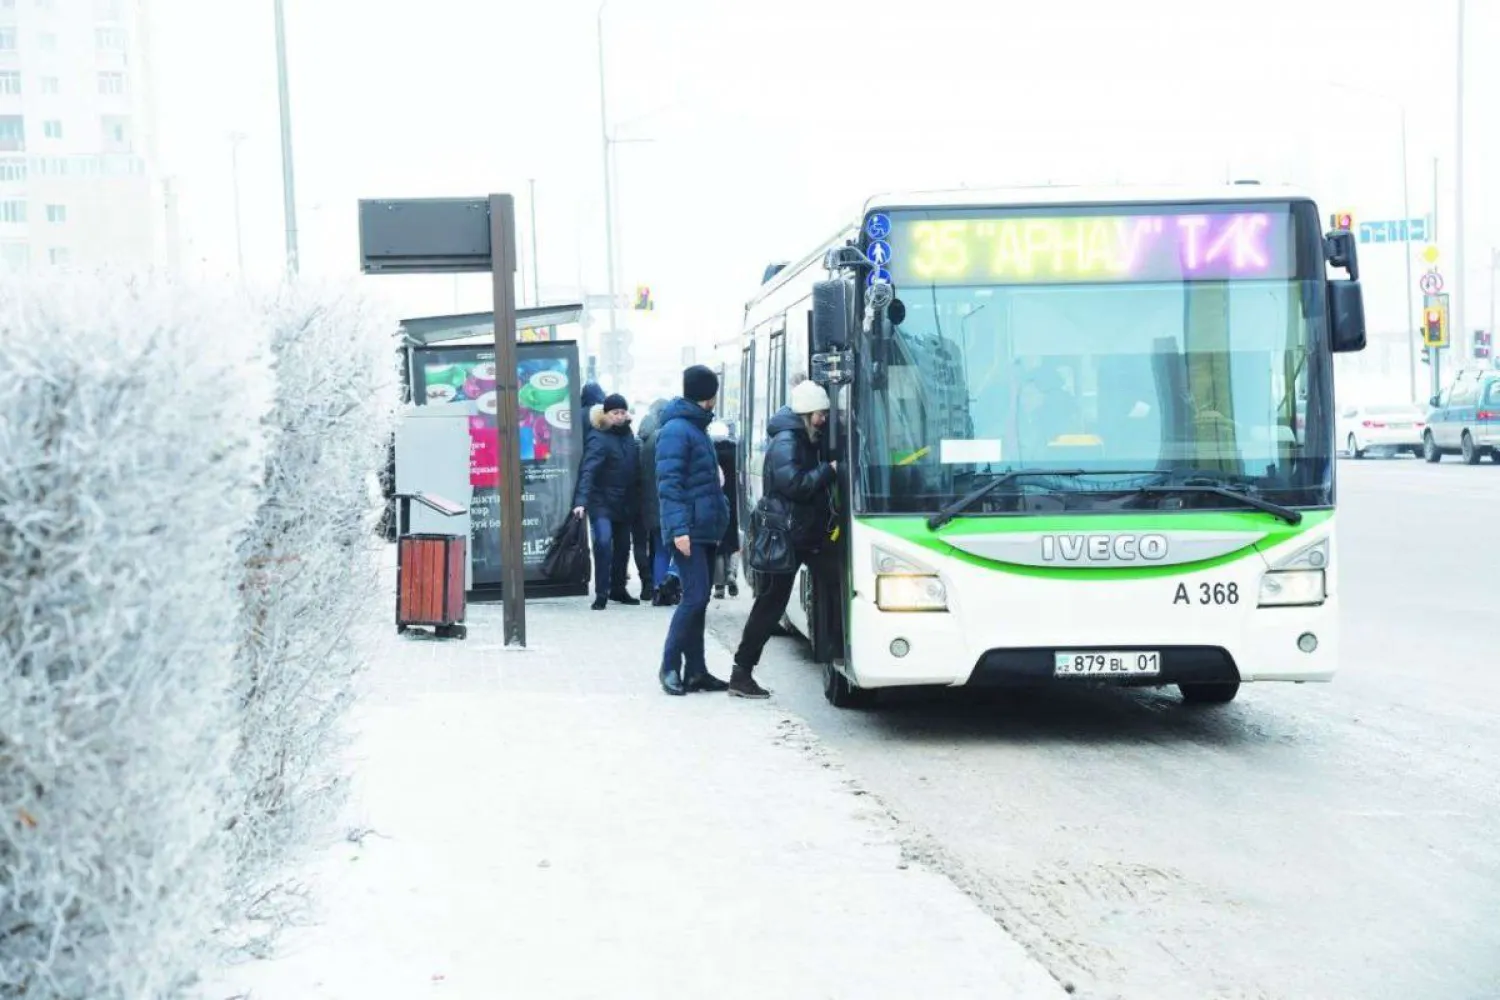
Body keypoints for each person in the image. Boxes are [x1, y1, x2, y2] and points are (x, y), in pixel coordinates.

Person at [729, 379, 840, 699]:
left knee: (832, 582)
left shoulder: (800, 437)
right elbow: (795, 485)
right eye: (820, 414)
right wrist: (828, 471)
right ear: (806, 413)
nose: (824, 420)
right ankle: (741, 672)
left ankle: (836, 649)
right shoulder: (787, 442)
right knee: (770, 604)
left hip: (802, 535)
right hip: (789, 537)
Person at [655, 365, 731, 696]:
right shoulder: (677, 430)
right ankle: (669, 666)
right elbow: (668, 485)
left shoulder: (695, 427)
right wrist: (678, 530)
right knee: (696, 597)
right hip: (688, 530)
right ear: (708, 395)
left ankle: (696, 671)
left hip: (704, 527)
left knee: (698, 601)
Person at [572, 393, 643, 611]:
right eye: (615, 413)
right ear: (606, 414)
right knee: (603, 543)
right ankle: (601, 592)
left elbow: (634, 468)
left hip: (624, 500)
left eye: (622, 412)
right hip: (601, 500)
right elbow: (588, 470)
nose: (619, 417)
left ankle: (618, 588)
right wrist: (581, 501)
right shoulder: (598, 437)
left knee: (623, 547)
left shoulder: (628, 435)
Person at [636, 398, 681, 606]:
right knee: (679, 549)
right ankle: (669, 586)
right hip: (668, 504)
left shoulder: (646, 440)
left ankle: (657, 588)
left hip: (650, 504)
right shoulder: (668, 438)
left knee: (660, 549)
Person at [708, 420, 740, 600]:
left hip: (716, 503)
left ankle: (719, 586)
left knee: (718, 545)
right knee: (733, 542)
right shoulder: (735, 452)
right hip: (734, 503)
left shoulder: (710, 453)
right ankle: (732, 573)